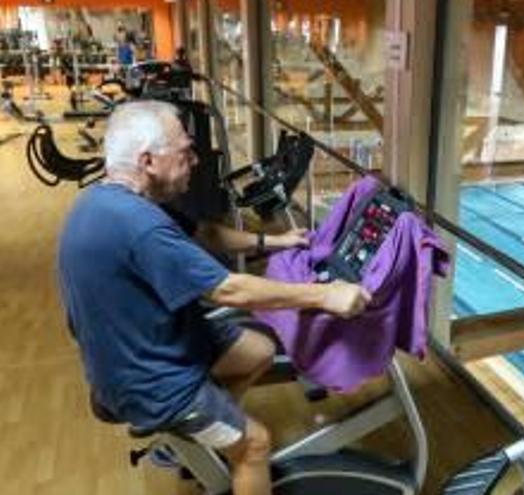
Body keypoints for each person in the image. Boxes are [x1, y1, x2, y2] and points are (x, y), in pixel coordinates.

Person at [57, 100, 372, 495]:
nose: (195, 161)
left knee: (257, 350)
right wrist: (325, 295)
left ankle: (207, 434)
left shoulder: (108, 201)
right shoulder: (141, 226)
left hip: (141, 348)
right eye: (186, 151)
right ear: (148, 161)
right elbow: (229, 289)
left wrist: (277, 241)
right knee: (255, 445)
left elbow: (207, 234)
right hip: (146, 380)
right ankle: (217, 437)